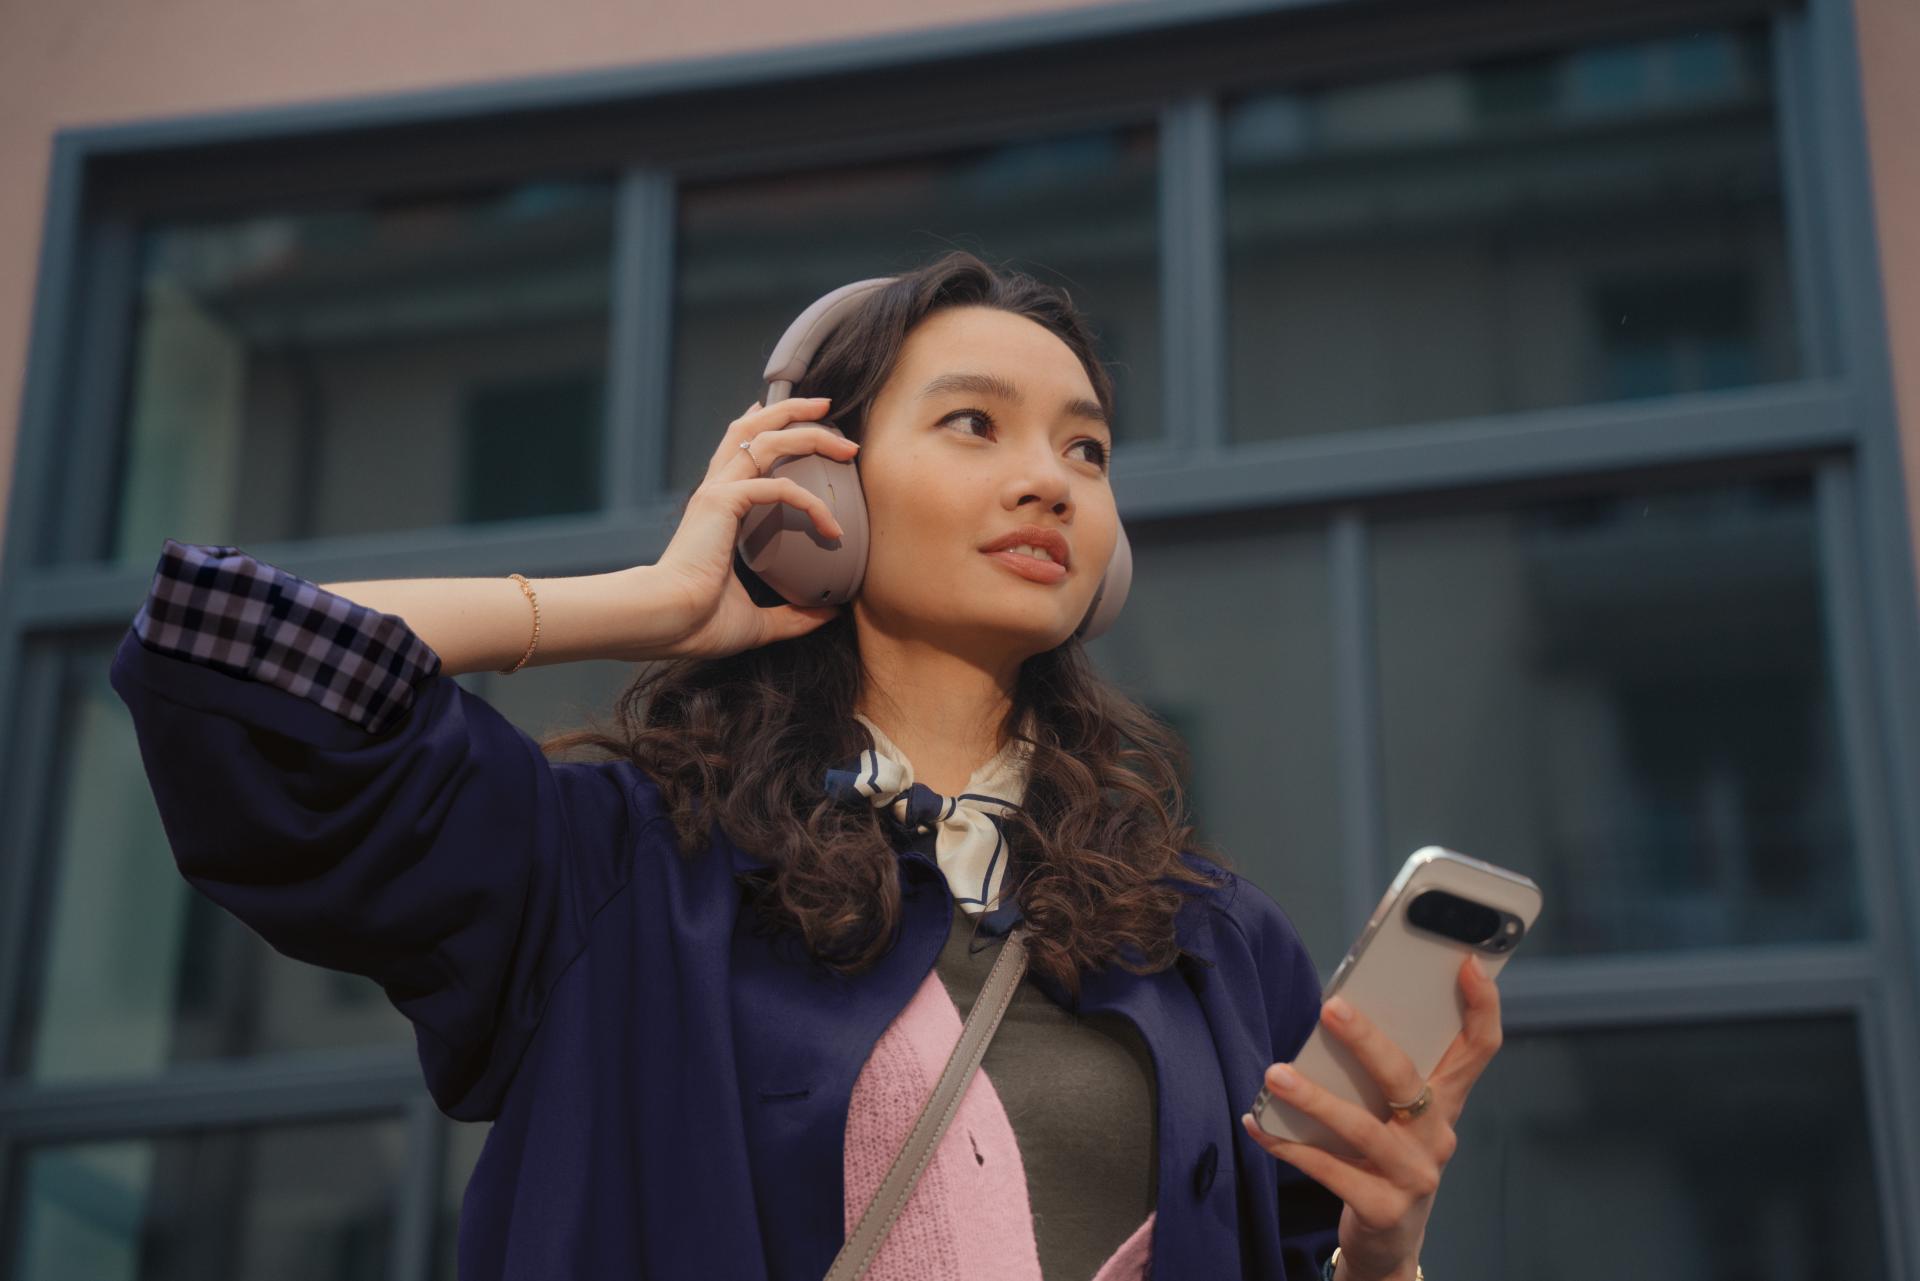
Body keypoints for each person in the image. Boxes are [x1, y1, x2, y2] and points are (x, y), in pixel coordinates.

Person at [109, 249, 1504, 1280]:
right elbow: (233, 656)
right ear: (818, 489)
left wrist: (1387, 1252)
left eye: (1087, 446)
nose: (1052, 479)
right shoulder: (620, 869)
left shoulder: (1203, 936)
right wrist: (639, 601)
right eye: (977, 424)